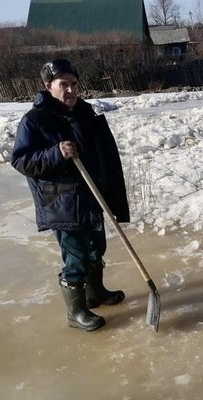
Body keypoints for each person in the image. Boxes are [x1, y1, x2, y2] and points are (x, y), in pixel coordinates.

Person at [11, 58, 130, 332]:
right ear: (47, 86)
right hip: (63, 202)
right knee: (75, 258)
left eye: (74, 84)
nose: (70, 90)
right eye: (63, 84)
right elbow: (22, 161)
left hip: (91, 196)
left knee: (96, 248)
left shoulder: (84, 113)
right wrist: (56, 153)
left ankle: (95, 293)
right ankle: (76, 312)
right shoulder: (35, 120)